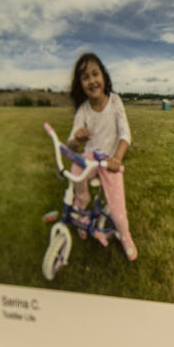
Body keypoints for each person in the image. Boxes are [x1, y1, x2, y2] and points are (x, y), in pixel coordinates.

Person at [66, 53, 137, 260]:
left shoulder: (115, 101)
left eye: (95, 74)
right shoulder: (83, 110)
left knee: (117, 213)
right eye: (85, 77)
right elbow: (71, 142)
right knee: (75, 169)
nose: (92, 80)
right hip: (91, 157)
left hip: (110, 161)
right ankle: (82, 204)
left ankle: (124, 235)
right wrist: (77, 138)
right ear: (80, 84)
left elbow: (125, 135)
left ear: (104, 77)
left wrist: (117, 158)